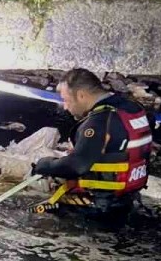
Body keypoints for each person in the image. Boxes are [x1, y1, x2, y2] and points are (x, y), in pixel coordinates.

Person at [31, 68, 152, 224]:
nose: (66, 107)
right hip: (127, 200)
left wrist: (45, 164)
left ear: (81, 95)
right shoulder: (132, 107)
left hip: (96, 207)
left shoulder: (99, 121)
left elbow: (76, 166)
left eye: (66, 100)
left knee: (32, 217)